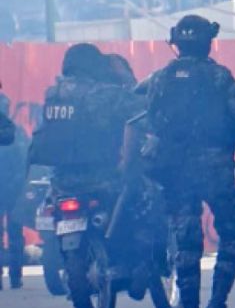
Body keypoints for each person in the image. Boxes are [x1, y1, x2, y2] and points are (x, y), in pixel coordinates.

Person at [142, 15, 235, 308]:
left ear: (176, 43)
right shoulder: (220, 77)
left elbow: (147, 117)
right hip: (215, 169)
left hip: (174, 172)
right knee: (232, 232)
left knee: (185, 239)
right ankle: (217, 304)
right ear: (207, 42)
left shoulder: (160, 78)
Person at [29, 43, 144, 197]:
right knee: (150, 193)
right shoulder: (105, 93)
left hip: (60, 179)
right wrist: (126, 77)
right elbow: (142, 109)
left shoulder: (53, 94)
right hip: (102, 178)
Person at [0, 94, 27, 290]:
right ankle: (14, 276)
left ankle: (15, 275)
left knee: (15, 233)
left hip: (13, 188)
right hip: (13, 188)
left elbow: (26, 159)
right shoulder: (16, 132)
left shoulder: (16, 132)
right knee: (14, 233)